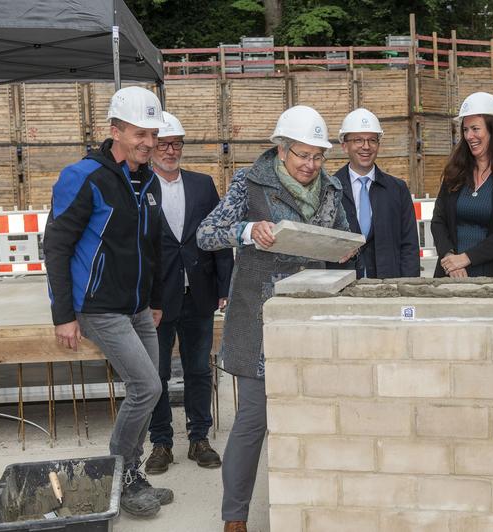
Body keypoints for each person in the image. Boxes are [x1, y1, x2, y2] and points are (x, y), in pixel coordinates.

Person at [196, 105, 351, 532]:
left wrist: (344, 248)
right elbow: (207, 234)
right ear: (281, 150)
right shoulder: (250, 183)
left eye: (318, 156)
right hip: (258, 321)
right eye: (303, 155)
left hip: (310, 319)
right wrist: (248, 231)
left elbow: (341, 235)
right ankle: (235, 516)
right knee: (253, 420)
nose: (311, 165)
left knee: (312, 417)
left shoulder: (332, 188)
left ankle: (310, 506)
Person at [44, 86, 173, 517]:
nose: (150, 143)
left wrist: (153, 300)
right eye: (140, 133)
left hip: (136, 307)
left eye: (153, 134)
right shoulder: (84, 177)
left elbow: (151, 245)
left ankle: (129, 472)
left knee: (149, 388)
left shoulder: (147, 179)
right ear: (115, 129)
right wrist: (63, 314)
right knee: (147, 386)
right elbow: (57, 245)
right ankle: (123, 471)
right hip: (97, 306)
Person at [145, 111, 234, 475]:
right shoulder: (138, 187)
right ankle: (161, 443)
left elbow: (219, 238)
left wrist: (224, 285)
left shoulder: (202, 185)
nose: (170, 150)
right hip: (156, 301)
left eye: (176, 144)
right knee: (157, 374)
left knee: (199, 369)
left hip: (198, 294)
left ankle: (200, 437)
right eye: (164, 144)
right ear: (151, 147)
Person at [430, 92, 493, 277]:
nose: (469, 136)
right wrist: (450, 258)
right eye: (465, 129)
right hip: (452, 273)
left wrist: (467, 258)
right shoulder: (455, 171)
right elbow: (438, 220)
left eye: (475, 129)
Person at [333, 108, 419, 278]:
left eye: (372, 140)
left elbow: (409, 246)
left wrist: (409, 287)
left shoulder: (397, 189)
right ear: (344, 146)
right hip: (342, 286)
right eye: (358, 140)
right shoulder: (331, 189)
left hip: (388, 287)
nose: (366, 146)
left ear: (378, 145)